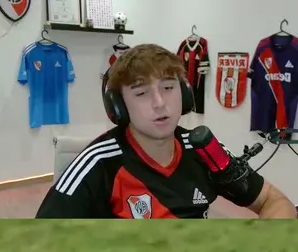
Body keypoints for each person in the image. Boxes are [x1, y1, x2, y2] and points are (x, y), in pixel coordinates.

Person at [36, 44, 295, 219]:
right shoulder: (98, 165)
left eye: (168, 88)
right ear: (119, 107)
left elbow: (273, 201)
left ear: (184, 94)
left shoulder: (203, 150)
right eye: (141, 93)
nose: (160, 103)